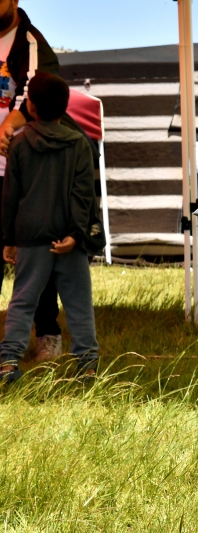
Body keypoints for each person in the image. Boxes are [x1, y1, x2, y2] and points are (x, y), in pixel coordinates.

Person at [0, 73, 98, 383]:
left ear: (29, 105)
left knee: (23, 301)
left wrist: (9, 239)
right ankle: (88, 367)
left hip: (30, 236)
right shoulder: (81, 144)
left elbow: (10, 197)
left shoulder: (18, 145)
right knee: (79, 304)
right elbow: (84, 195)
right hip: (70, 237)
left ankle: (7, 364)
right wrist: (76, 233)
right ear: (65, 107)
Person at [0, 0, 63, 362]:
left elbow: (45, 91)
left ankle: (48, 333)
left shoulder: (32, 44)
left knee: (37, 254)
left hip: (26, 170)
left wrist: (11, 123)